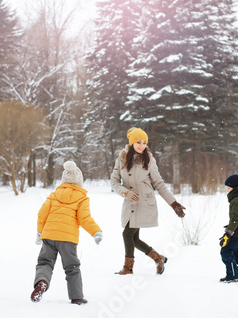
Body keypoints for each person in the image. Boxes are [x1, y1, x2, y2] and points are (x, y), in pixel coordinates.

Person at [110, 127, 186, 275]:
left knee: (127, 234)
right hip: (129, 203)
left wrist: (173, 204)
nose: (142, 145)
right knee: (134, 238)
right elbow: (114, 182)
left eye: (144, 142)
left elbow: (159, 184)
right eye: (138, 142)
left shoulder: (149, 159)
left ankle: (128, 268)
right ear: (131, 142)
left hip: (144, 203)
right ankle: (159, 259)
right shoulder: (121, 159)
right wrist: (125, 192)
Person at [31, 161, 103, 305]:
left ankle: (42, 281)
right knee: (72, 267)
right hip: (67, 239)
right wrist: (96, 231)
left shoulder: (54, 195)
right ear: (79, 181)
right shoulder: (82, 198)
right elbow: (84, 218)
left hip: (49, 236)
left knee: (45, 262)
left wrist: (39, 232)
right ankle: (76, 297)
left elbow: (42, 214)